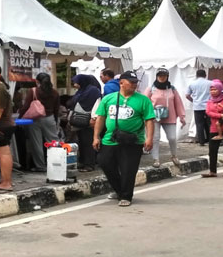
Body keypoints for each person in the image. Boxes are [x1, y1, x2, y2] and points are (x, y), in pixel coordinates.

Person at [93, 70, 155, 207]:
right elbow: (100, 118)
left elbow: (149, 120)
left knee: (128, 169)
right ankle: (119, 189)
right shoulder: (108, 99)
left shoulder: (143, 100)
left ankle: (126, 196)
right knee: (104, 162)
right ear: (121, 83)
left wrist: (149, 138)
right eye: (131, 82)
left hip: (133, 140)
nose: (134, 85)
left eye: (135, 82)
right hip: (111, 138)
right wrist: (96, 137)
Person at [18, 72, 60, 172]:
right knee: (53, 141)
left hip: (34, 119)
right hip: (49, 118)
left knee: (36, 143)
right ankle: (57, 163)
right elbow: (56, 109)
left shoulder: (33, 91)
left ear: (37, 81)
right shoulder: (55, 92)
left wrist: (20, 117)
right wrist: (55, 120)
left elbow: (26, 106)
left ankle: (40, 166)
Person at [145, 68, 186, 168]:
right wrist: (144, 116)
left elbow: (178, 103)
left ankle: (174, 155)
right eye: (160, 75)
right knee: (155, 138)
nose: (162, 78)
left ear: (167, 76)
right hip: (154, 117)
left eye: (164, 76)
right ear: (156, 76)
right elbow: (144, 102)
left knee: (172, 137)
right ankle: (155, 159)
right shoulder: (151, 89)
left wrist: (182, 116)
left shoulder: (172, 89)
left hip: (169, 116)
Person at [67, 74, 101, 172]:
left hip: (90, 121)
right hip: (80, 121)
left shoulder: (93, 91)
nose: (75, 84)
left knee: (88, 143)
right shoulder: (82, 91)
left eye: (76, 82)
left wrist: (94, 118)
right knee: (81, 142)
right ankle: (83, 162)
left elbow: (97, 105)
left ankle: (89, 164)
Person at [185, 69, 211, 146]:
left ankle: (201, 141)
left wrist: (193, 101)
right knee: (209, 123)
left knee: (199, 124)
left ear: (196, 75)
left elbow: (187, 95)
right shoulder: (211, 83)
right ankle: (210, 140)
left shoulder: (192, 84)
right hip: (209, 106)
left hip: (197, 106)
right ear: (205, 75)